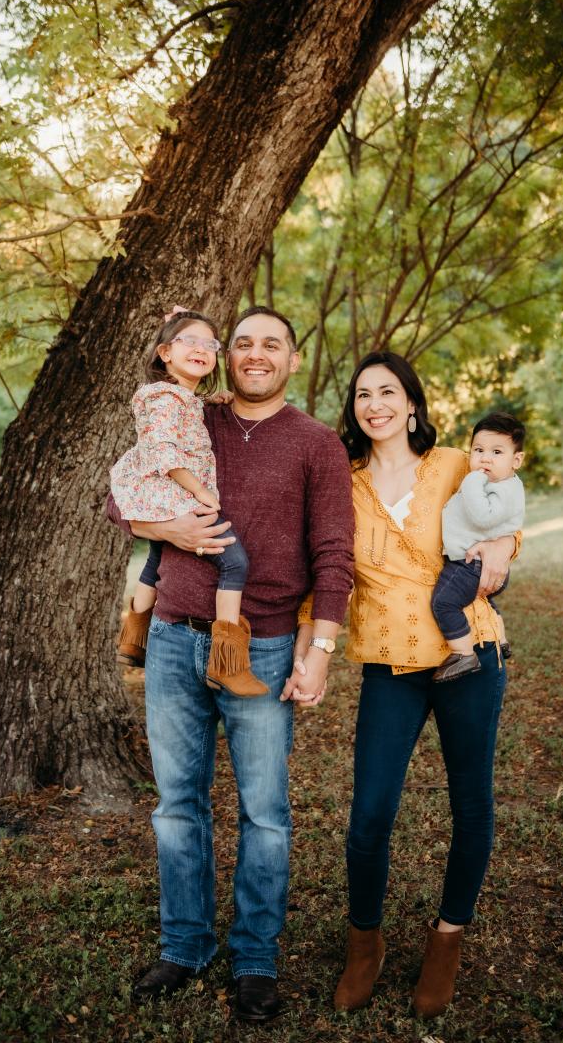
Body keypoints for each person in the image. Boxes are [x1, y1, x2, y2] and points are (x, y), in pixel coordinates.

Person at [109, 306, 353, 1023]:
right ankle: (184, 945)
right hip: (174, 639)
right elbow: (116, 500)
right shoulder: (191, 414)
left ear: (293, 359)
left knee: (265, 814)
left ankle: (254, 958)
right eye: (242, 343)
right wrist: (163, 525)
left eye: (270, 344)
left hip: (268, 645)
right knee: (177, 807)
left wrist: (322, 648)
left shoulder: (316, 444)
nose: (254, 354)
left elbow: (334, 554)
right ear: (224, 357)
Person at [323, 352, 518, 1020]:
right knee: (369, 815)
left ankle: (446, 942)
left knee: (471, 804)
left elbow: (504, 514)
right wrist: (311, 647)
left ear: (411, 402)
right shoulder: (340, 482)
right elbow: (325, 564)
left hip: (468, 650)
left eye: (387, 391)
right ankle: (363, 946)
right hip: (389, 661)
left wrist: (504, 548)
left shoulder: (455, 464)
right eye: (361, 394)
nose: (373, 403)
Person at [110, 310, 266, 697]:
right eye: (188, 341)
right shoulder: (164, 398)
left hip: (155, 493)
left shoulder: (178, 396)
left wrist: (215, 398)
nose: (200, 349)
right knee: (234, 561)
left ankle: (134, 637)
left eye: (209, 345)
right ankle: (227, 661)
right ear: (164, 352)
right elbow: (165, 452)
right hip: (173, 490)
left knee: (156, 555)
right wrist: (200, 491)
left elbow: (184, 411)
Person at [430, 411, 526, 682]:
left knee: (443, 603)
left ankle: (463, 653)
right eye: (479, 450)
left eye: (497, 452)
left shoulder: (500, 488)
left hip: (470, 563)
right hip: (479, 566)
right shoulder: (499, 482)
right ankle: (501, 636)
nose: (485, 458)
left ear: (516, 460)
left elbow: (483, 517)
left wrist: (472, 480)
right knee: (484, 600)